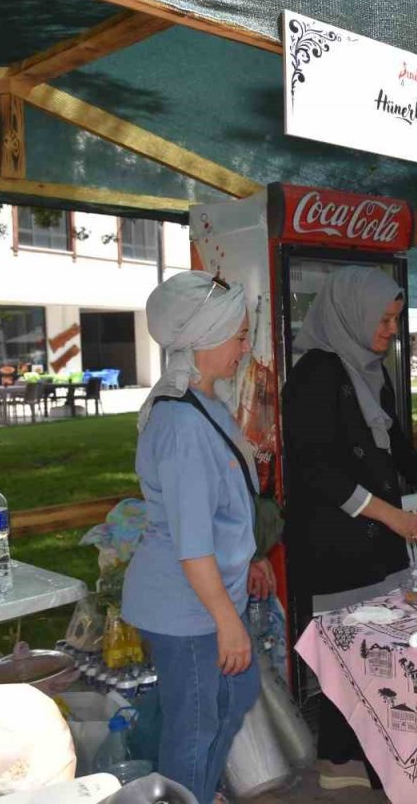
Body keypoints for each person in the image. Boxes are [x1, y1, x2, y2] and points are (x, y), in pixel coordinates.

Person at [281, 266, 417, 790]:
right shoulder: (314, 374)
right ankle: (348, 760)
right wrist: (392, 515)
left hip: (377, 541)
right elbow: (315, 468)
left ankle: (354, 757)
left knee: (375, 657)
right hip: (334, 546)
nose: (392, 329)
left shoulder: (373, 370)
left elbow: (400, 448)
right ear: (351, 313)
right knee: (350, 655)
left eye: (396, 318)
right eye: (385, 319)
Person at [122, 271, 271, 804]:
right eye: (237, 336)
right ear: (203, 339)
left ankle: (195, 794)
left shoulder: (206, 403)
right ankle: (182, 793)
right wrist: (228, 623)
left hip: (205, 596)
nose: (244, 346)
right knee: (196, 724)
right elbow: (192, 544)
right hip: (186, 607)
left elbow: (224, 508)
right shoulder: (182, 424)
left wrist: (252, 558)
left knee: (231, 698)